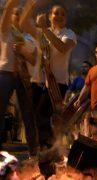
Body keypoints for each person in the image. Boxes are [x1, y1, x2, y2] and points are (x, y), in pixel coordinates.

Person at [20, 1, 77, 148]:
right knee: (34, 118)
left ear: (67, 18)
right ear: (49, 16)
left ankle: (50, 152)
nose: (59, 16)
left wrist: (45, 28)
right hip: (38, 82)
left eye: (62, 14)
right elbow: (24, 24)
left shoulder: (69, 34)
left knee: (42, 116)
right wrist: (31, 5)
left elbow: (62, 47)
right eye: (56, 13)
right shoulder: (42, 33)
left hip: (56, 83)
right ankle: (42, 152)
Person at [0, 0, 39, 156]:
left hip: (24, 78)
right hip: (5, 74)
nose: (18, 16)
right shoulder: (4, 31)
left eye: (21, 14)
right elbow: (8, 9)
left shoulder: (28, 37)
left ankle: (34, 152)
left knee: (28, 114)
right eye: (16, 13)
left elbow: (34, 60)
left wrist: (23, 51)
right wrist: (12, 2)